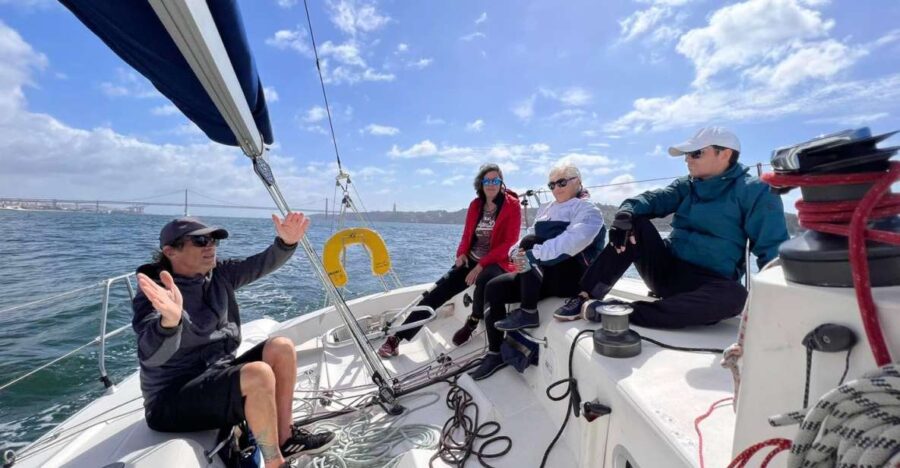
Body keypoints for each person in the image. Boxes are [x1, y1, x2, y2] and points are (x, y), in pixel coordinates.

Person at [132, 214, 335, 468]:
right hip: (170, 400)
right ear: (170, 251)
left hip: (215, 375)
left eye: (214, 240)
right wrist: (169, 324)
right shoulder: (156, 293)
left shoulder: (219, 275)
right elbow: (150, 355)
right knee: (258, 374)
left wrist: (286, 242)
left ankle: (286, 436)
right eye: (201, 240)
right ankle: (275, 464)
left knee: (281, 347)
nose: (211, 246)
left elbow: (260, 264)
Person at [554, 126, 789, 328]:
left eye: (696, 154)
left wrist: (777, 303)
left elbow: (772, 252)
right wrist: (625, 213)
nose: (687, 159)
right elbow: (653, 200)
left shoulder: (756, 190)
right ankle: (584, 296)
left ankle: (619, 311)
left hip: (707, 283)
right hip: (666, 271)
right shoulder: (687, 185)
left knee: (736, 297)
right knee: (634, 223)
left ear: (724, 154)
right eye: (686, 155)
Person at [468, 163, 605, 380]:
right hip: (542, 274)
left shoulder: (588, 210)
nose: (556, 188)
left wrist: (531, 254)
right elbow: (526, 235)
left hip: (572, 277)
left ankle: (529, 312)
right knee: (492, 288)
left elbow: (570, 243)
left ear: (578, 181)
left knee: (532, 242)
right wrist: (516, 253)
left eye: (562, 182)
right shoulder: (547, 209)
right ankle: (495, 354)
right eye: (552, 184)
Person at [378, 163, 522, 357]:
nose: (491, 184)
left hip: (497, 261)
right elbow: (467, 235)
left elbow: (510, 242)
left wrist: (481, 265)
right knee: (436, 294)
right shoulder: (476, 205)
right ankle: (396, 339)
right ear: (480, 183)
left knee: (484, 280)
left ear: (501, 182)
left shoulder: (512, 205)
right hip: (471, 259)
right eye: (487, 180)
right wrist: (461, 254)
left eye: (495, 180)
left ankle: (472, 322)